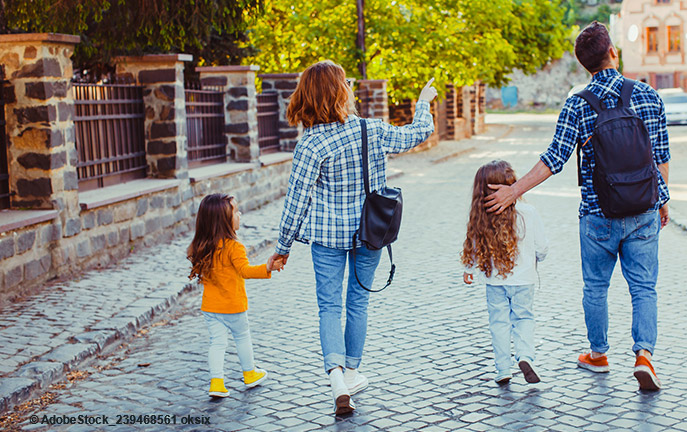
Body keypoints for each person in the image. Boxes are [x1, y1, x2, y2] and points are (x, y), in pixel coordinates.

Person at [484, 21, 670, 391]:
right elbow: (660, 157)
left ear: (585, 65)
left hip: (598, 215)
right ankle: (644, 355)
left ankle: (599, 355)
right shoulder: (649, 95)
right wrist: (662, 199)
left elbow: (553, 160)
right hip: (644, 211)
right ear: (613, 51)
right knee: (643, 288)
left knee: (596, 289)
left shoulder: (578, 105)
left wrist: (512, 192)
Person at [268, 60, 437, 415]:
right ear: (340, 91)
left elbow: (296, 201)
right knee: (357, 303)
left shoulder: (310, 144)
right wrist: (423, 102)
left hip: (327, 237)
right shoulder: (370, 130)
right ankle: (354, 371)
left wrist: (282, 248)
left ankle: (336, 379)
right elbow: (418, 133)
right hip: (369, 233)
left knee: (329, 307)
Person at [462, 160, 549, 385]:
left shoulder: (481, 216)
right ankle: (525, 356)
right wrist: (535, 257)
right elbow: (542, 248)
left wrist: (469, 268)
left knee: (499, 323)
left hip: (494, 281)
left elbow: (472, 244)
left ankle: (502, 369)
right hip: (524, 279)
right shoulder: (528, 212)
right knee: (524, 318)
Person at [187, 193, 282, 398]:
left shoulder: (202, 246)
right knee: (242, 337)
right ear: (224, 221)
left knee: (217, 343)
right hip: (233, 306)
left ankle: (217, 382)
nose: (240, 214)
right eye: (236, 211)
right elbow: (245, 271)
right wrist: (268, 267)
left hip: (210, 308)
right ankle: (249, 373)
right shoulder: (234, 247)